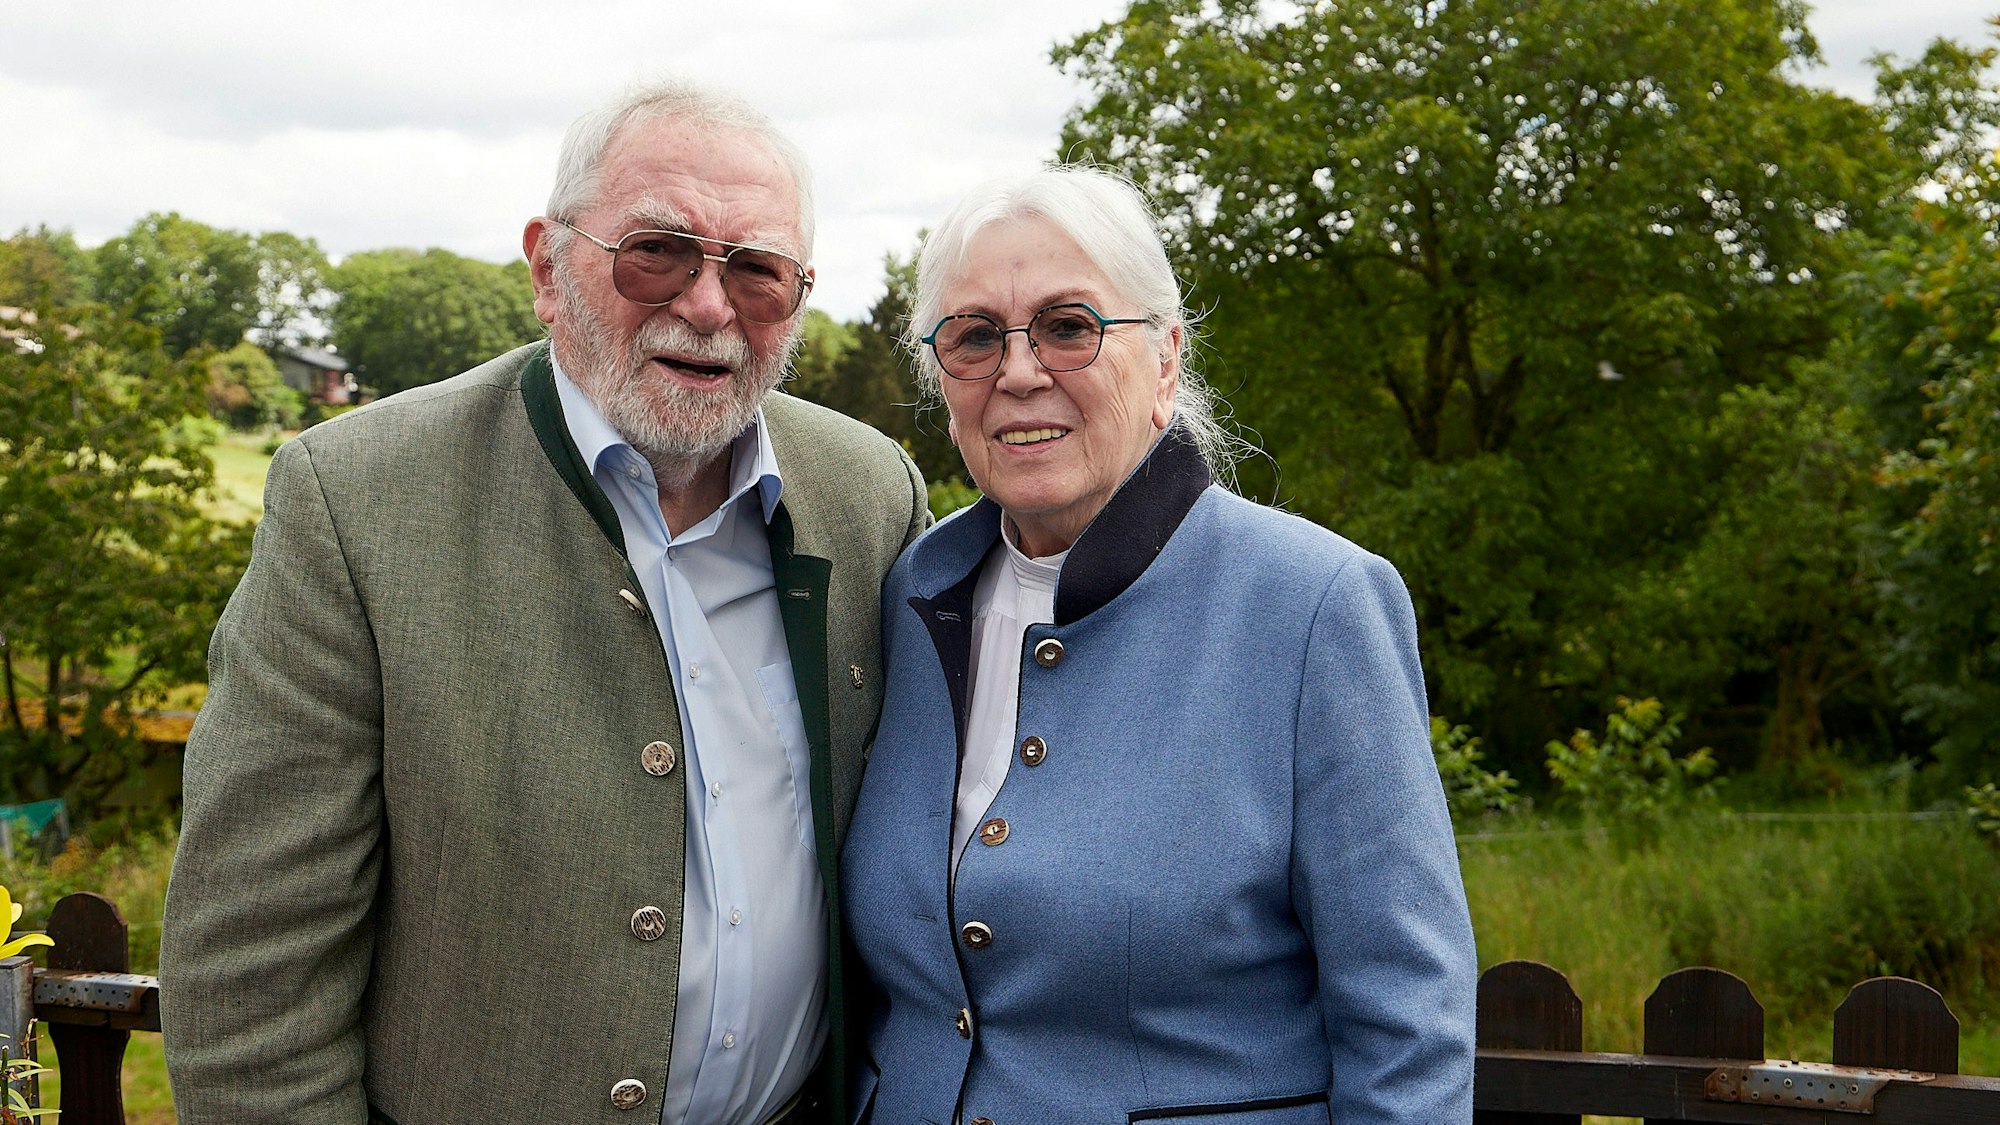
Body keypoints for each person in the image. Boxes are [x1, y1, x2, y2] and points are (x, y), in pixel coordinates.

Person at [159, 79, 929, 1125]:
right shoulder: (358, 502)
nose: (707, 306)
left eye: (757, 270)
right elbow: (254, 978)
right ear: (547, 267)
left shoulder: (870, 492)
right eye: (656, 250)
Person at [840, 166, 1476, 1123]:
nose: (1020, 371)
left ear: (1167, 359)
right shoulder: (911, 591)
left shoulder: (1315, 606)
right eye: (975, 336)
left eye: (1069, 326)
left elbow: (1408, 1022)